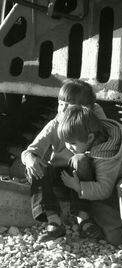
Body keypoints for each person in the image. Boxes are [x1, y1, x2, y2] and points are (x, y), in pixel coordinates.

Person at [57, 105, 122, 260]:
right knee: (115, 238)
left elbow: (103, 189)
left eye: (73, 144)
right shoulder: (95, 134)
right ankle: (108, 226)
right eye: (67, 143)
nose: (69, 147)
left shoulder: (107, 155)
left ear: (90, 138)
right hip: (112, 184)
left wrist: (78, 186)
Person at [21, 79, 106, 242]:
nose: (62, 109)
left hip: (83, 175)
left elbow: (108, 127)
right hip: (58, 173)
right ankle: (53, 220)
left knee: (80, 160)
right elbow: (30, 151)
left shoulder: (92, 124)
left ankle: (83, 218)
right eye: (60, 104)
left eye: (68, 105)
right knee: (35, 167)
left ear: (85, 109)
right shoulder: (55, 125)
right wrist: (30, 159)